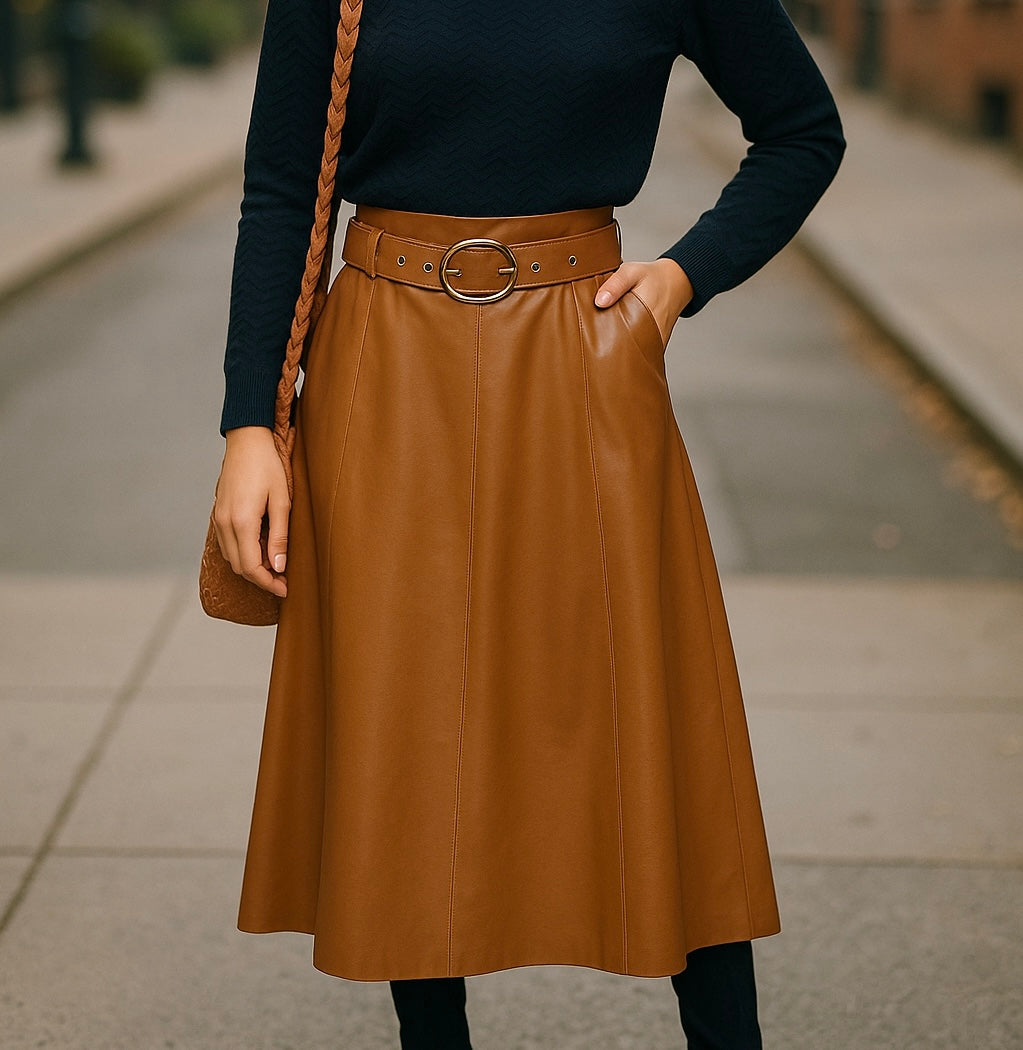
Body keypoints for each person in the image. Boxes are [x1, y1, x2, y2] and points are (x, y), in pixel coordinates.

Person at [211, 0, 845, 1046]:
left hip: (584, 359)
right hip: (384, 364)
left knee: (648, 714)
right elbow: (283, 191)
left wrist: (681, 279)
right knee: (407, 731)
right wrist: (250, 424)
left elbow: (802, 129)